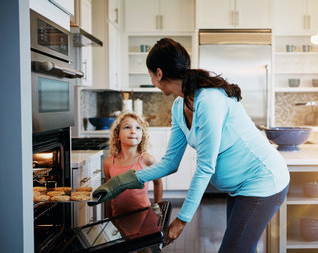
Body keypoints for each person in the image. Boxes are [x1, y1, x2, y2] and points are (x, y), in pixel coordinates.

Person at [92, 38, 290, 253]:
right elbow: (170, 163)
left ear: (159, 73)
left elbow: (206, 166)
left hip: (264, 181)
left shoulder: (209, 100)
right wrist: (120, 182)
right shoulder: (179, 106)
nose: (151, 79)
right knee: (241, 248)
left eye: (150, 74)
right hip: (240, 188)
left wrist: (182, 220)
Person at [103, 111, 163, 243]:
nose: (133, 131)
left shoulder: (147, 160)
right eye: (127, 127)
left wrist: (158, 207)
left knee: (144, 248)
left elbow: (158, 183)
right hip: (119, 216)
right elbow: (108, 191)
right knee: (128, 246)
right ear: (117, 135)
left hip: (143, 214)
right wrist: (107, 215)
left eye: (137, 128)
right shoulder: (108, 163)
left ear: (142, 136)